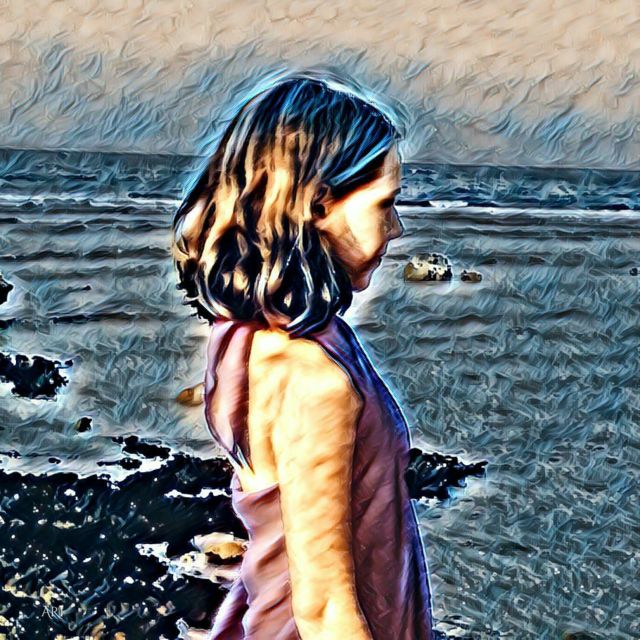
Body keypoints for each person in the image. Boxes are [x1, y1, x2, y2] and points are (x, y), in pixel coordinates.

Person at [171, 69, 435, 640]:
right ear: (316, 204)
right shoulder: (314, 378)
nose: (396, 227)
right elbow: (322, 609)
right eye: (384, 204)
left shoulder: (244, 337)